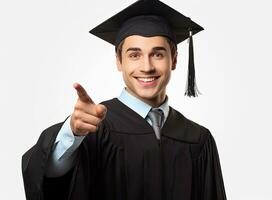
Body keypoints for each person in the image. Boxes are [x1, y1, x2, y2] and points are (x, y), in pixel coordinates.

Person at [21, 0, 227, 199]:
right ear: (119, 61)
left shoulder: (198, 139)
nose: (147, 67)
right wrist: (72, 134)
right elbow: (49, 178)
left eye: (157, 54)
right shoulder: (93, 128)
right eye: (134, 55)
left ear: (174, 59)